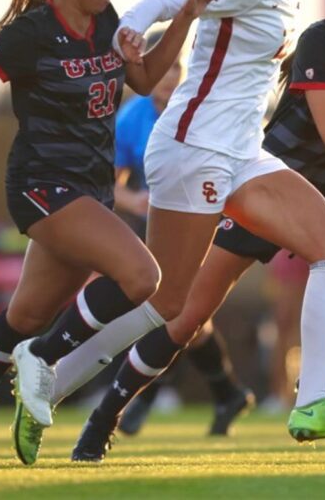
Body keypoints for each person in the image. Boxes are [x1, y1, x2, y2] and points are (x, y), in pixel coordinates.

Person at [12, 0, 325, 463]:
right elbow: (169, 1)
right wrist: (130, 29)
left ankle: (311, 404)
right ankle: (48, 362)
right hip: (192, 148)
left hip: (242, 152)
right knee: (167, 300)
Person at [0, 0, 214, 467]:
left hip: (89, 192)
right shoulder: (31, 33)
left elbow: (146, 80)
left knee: (23, 316)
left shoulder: (107, 23)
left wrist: (187, 18)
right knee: (143, 276)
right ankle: (46, 357)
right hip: (40, 187)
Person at [111, 54, 255, 437]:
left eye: (175, 67)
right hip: (154, 225)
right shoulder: (131, 116)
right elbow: (112, 183)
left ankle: (142, 396)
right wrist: (132, 201)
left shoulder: (202, 111)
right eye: (162, 66)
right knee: (188, 317)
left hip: (202, 221)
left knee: (178, 312)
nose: (168, 75)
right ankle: (227, 393)